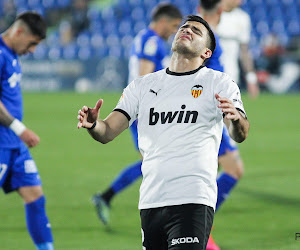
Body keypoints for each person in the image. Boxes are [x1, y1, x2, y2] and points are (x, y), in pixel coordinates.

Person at [78, 15, 249, 249]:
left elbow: (239, 133)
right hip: (151, 201)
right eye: (184, 27)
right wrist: (93, 125)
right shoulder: (142, 86)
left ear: (206, 53)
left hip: (193, 198)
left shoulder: (218, 83)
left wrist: (236, 119)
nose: (187, 30)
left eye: (196, 31)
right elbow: (107, 132)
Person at [91, 2, 182, 225]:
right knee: (156, 163)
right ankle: (165, 213)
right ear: (162, 21)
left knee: (153, 162)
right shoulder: (152, 41)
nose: (174, 31)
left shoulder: (145, 38)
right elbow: (144, 76)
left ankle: (107, 196)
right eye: (173, 25)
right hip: (145, 112)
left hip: (141, 109)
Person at [0, 12, 54, 250]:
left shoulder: (11, 55)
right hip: (3, 142)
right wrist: (19, 128)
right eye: (32, 43)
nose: (32, 50)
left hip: (14, 146)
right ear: (19, 32)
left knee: (35, 196)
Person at [198, 1, 246, 249]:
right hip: (211, 111)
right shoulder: (205, 34)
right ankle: (199, 228)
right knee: (233, 170)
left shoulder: (197, 29)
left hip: (209, 109)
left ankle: (198, 228)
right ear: (219, 7)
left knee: (208, 172)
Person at [217, 0, 260, 98]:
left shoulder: (242, 18)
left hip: (231, 74)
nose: (240, 2)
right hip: (210, 71)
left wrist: (251, 79)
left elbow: (244, 51)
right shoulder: (210, 14)